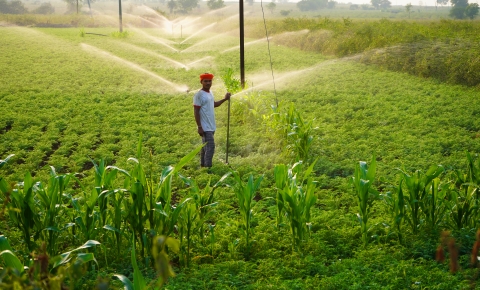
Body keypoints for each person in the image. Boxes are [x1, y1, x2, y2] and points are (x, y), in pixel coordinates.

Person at [193, 73, 231, 168]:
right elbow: (196, 111)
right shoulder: (199, 95)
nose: (208, 83)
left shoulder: (210, 93)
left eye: (210, 81)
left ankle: (202, 166)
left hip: (211, 125)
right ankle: (207, 168)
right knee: (210, 147)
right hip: (205, 127)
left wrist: (225, 99)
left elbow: (214, 104)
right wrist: (199, 127)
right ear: (201, 82)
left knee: (205, 148)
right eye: (205, 81)